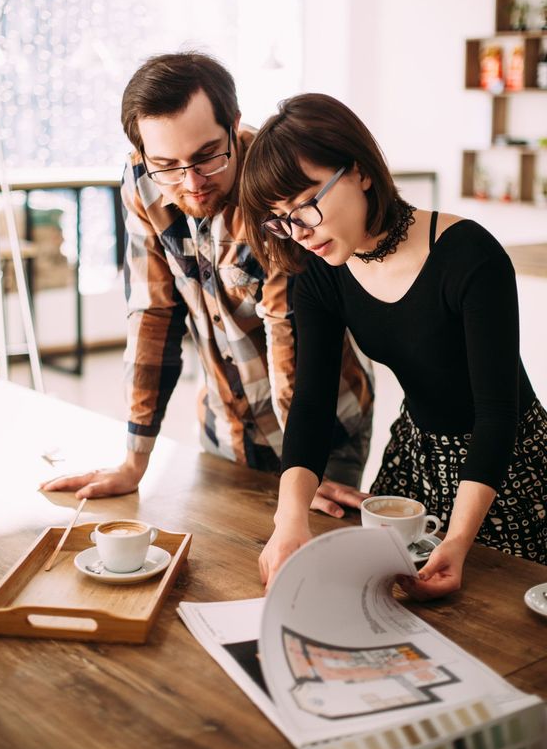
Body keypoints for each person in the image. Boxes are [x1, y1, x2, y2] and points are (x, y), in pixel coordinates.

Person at [239, 91, 547, 599]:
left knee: (500, 621)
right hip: (414, 454)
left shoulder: (469, 256)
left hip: (503, 466)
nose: (300, 233)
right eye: (282, 219)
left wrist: (458, 540)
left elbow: (498, 413)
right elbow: (312, 404)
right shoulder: (321, 272)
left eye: (308, 205)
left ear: (358, 170)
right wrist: (289, 519)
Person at [41, 55, 373, 515]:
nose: (191, 183)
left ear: (234, 126)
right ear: (142, 154)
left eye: (206, 157)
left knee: (308, 571)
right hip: (225, 423)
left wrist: (303, 471)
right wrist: (134, 460)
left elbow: (287, 335)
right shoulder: (142, 181)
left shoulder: (276, 184)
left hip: (319, 427)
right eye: (167, 165)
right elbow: (152, 313)